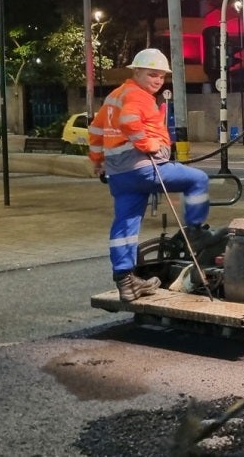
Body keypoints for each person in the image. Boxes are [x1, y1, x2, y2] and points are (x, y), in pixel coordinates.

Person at [88, 49, 219, 302]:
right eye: (152, 75)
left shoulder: (114, 97)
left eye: (161, 76)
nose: (157, 81)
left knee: (125, 225)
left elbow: (95, 129)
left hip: (120, 175)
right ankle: (195, 231)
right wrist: (147, 144)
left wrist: (97, 160)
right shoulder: (139, 95)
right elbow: (129, 121)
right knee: (198, 180)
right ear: (136, 72)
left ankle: (125, 281)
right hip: (145, 168)